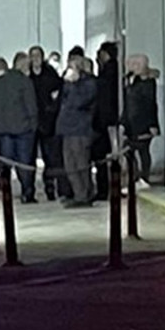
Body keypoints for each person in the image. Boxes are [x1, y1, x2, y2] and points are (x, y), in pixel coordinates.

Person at [0, 52, 40, 203]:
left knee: (5, 163)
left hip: (4, 130)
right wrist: (33, 126)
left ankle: (5, 190)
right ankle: (27, 193)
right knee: (24, 163)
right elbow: (32, 108)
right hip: (24, 130)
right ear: (23, 65)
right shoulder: (25, 82)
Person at [55, 56, 97, 207]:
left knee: (80, 163)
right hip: (67, 128)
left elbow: (78, 102)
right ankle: (78, 192)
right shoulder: (69, 84)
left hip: (80, 129)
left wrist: (73, 84)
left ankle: (84, 195)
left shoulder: (89, 83)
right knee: (70, 165)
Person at [29, 45, 67, 201]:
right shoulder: (27, 74)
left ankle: (50, 187)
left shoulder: (50, 73)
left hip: (48, 121)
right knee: (29, 158)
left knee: (50, 157)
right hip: (31, 122)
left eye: (38, 55)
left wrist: (51, 109)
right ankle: (29, 190)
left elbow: (59, 91)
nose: (35, 59)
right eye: (33, 56)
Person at [122, 54, 161, 188]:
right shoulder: (129, 80)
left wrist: (152, 124)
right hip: (130, 123)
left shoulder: (148, 82)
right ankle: (133, 176)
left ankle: (144, 177)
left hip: (143, 122)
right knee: (128, 151)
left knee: (143, 150)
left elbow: (151, 104)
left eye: (135, 64)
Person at [91, 42, 120, 201]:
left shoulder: (107, 73)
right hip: (108, 119)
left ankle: (104, 189)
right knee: (109, 155)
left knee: (105, 156)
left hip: (106, 121)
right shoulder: (112, 71)